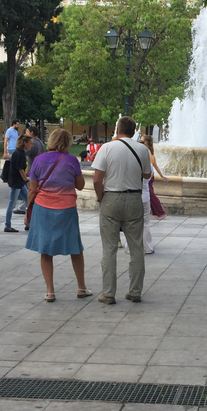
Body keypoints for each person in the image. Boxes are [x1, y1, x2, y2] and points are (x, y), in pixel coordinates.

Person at [25, 129, 91, 302]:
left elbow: (32, 189)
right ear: (68, 142)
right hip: (66, 209)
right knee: (75, 248)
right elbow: (81, 185)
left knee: (45, 250)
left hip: (43, 208)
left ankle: (50, 290)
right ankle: (81, 287)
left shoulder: (38, 160)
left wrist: (27, 211)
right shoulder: (71, 161)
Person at [92, 116, 151, 305]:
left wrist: (102, 198)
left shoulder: (107, 148)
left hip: (111, 197)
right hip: (134, 198)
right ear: (134, 131)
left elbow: (96, 179)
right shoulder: (142, 149)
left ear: (117, 129)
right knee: (136, 248)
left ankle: (108, 293)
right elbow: (147, 174)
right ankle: (135, 291)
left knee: (109, 248)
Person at [4, 134, 32, 232]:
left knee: (29, 200)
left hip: (19, 183)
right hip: (16, 183)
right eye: (30, 143)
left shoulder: (20, 153)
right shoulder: (19, 153)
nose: (31, 145)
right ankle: (7, 225)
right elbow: (20, 170)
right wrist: (27, 181)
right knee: (12, 203)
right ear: (25, 143)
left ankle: (29, 222)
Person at [140, 135, 168, 220]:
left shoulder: (146, 152)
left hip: (148, 177)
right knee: (150, 195)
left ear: (146, 143)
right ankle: (156, 212)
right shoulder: (150, 152)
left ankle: (160, 212)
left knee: (151, 195)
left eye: (141, 141)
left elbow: (153, 166)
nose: (139, 143)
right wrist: (162, 176)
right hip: (150, 177)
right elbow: (156, 166)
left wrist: (162, 176)